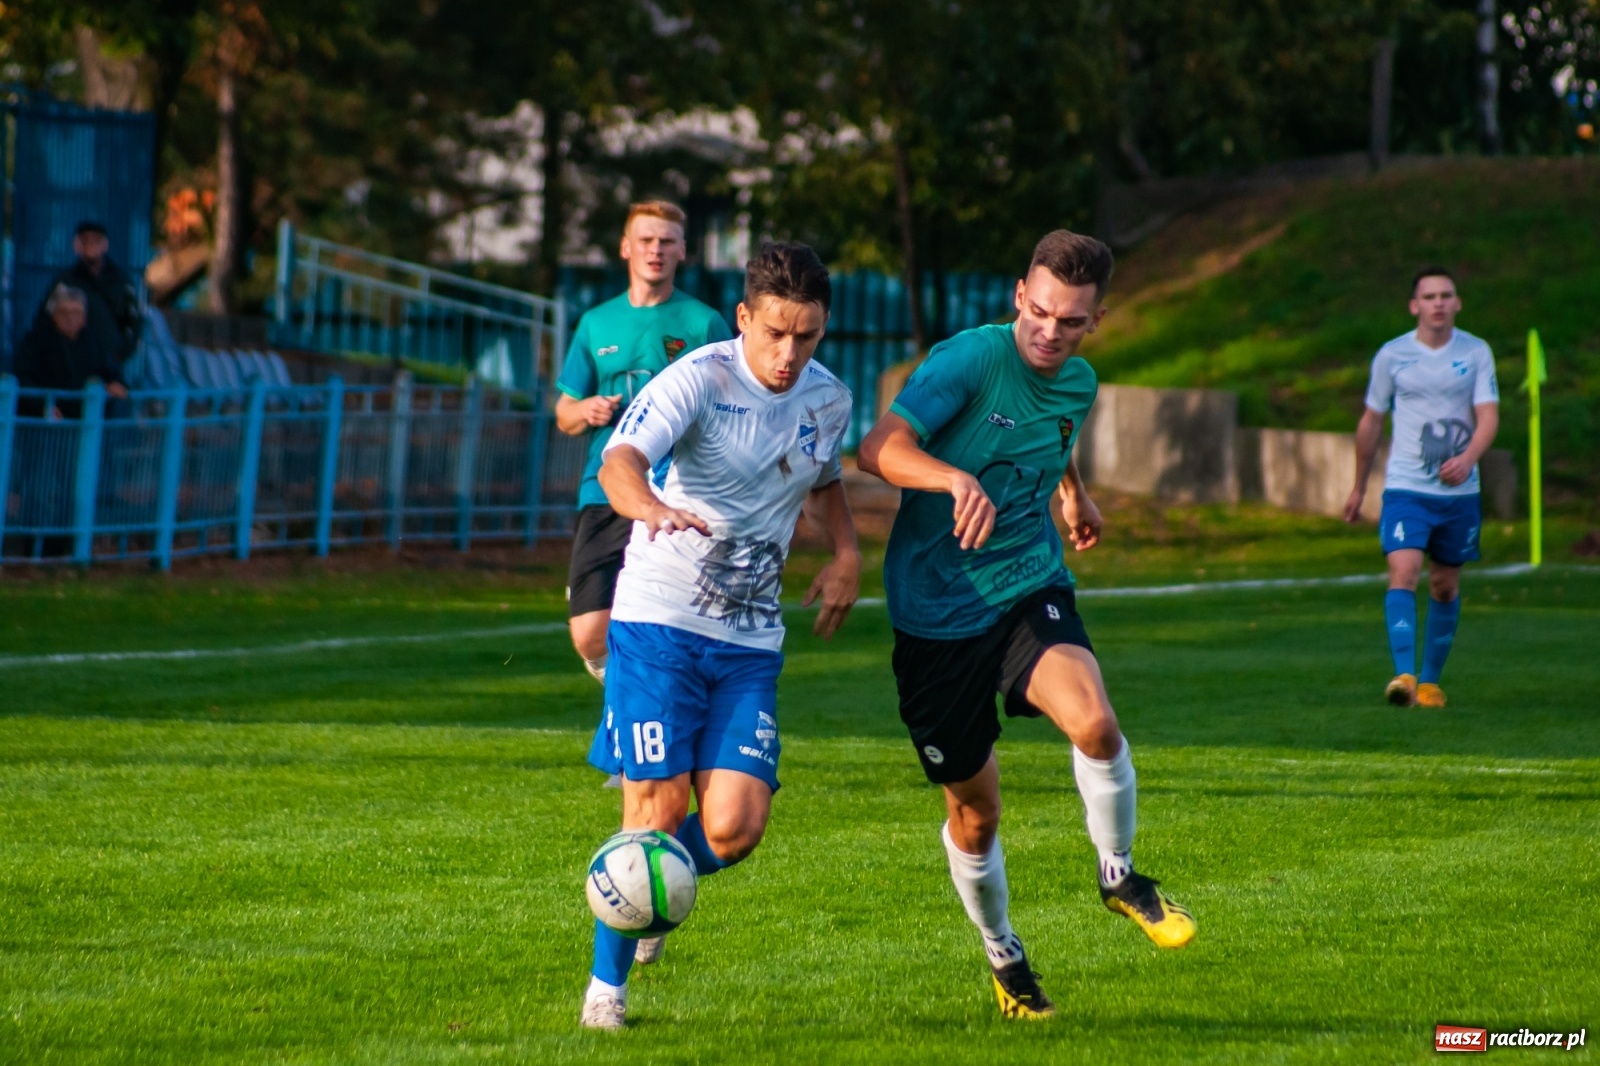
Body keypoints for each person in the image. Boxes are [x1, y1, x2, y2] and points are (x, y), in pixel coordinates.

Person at [857, 230, 1196, 1021]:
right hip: (935, 615)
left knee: (1097, 724)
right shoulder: (969, 361)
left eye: (1071, 321)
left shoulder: (1079, 381)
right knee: (976, 816)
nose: (1050, 332)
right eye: (1039, 312)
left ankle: (1119, 874)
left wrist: (1072, 492)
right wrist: (952, 479)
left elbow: (1053, 433)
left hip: (1025, 581)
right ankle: (1003, 953)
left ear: (1096, 320)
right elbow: (879, 449)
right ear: (1019, 295)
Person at [579, 242, 859, 1030]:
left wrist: (845, 554)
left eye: (806, 336)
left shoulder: (828, 399)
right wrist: (649, 506)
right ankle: (606, 992)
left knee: (735, 829)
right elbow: (620, 461)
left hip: (748, 642)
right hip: (658, 623)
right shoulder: (698, 378)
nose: (788, 353)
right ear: (743, 318)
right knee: (658, 808)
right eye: (774, 333)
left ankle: (655, 886)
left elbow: (825, 483)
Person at [554, 201, 733, 688]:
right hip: (607, 489)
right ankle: (630, 696)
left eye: (667, 241)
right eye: (647, 240)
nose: (656, 250)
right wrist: (586, 409)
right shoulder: (596, 322)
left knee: (674, 626)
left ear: (683, 251)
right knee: (589, 633)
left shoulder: (703, 323)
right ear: (626, 248)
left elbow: (732, 403)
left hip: (681, 492)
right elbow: (564, 412)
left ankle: (654, 716)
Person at [1343, 268, 1498, 709]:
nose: (1438, 303)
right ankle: (1404, 677)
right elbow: (1372, 421)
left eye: (1446, 295)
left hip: (1458, 495)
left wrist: (1467, 460)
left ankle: (1429, 683)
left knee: (1445, 586)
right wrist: (1358, 486)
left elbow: (1488, 416)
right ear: (1415, 306)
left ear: (1457, 303)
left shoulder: (1476, 352)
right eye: (1429, 296)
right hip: (1406, 488)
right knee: (1404, 571)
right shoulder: (1392, 356)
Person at [34, 220, 143, 371]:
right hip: (71, 365)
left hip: (112, 365)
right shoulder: (64, 282)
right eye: (85, 240)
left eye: (96, 240)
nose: (91, 245)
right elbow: (45, 318)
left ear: (105, 245)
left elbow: (134, 321)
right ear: (76, 245)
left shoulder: (122, 282)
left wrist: (122, 353)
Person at [16, 284, 130, 417]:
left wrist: (116, 384)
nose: (70, 318)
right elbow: (22, 379)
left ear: (84, 318)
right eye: (64, 312)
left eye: (76, 312)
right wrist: (42, 406)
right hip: (47, 419)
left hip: (86, 418)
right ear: (53, 315)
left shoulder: (94, 343)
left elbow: (110, 372)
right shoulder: (35, 341)